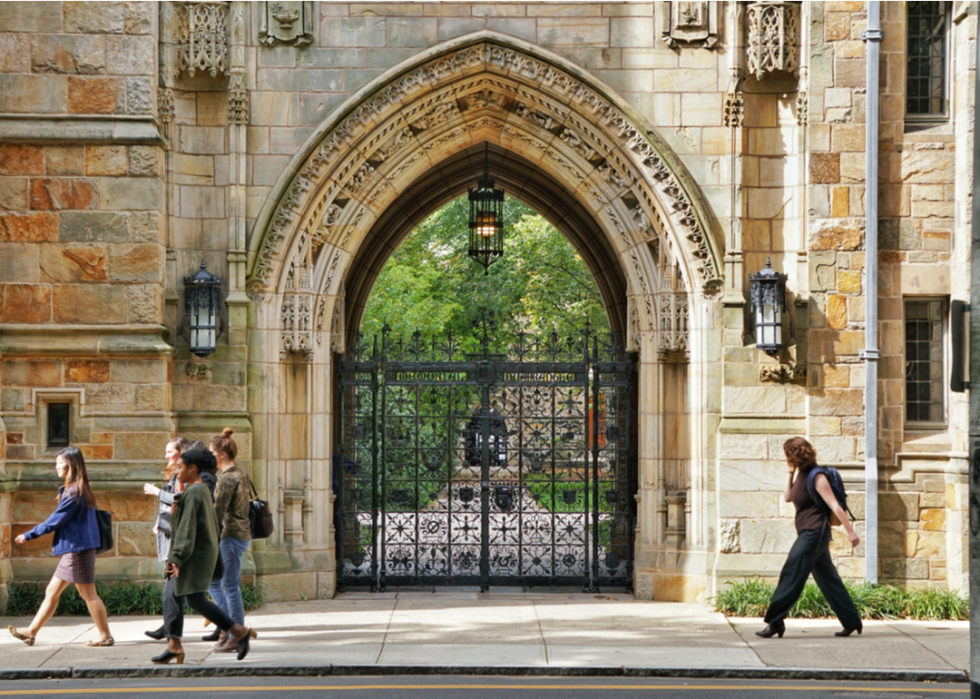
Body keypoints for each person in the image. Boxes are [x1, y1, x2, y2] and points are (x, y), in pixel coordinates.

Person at [153, 448, 255, 664]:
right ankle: (236, 632)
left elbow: (186, 530)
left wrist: (177, 559)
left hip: (191, 557)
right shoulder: (198, 492)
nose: (177, 471)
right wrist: (175, 513)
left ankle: (177, 645)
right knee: (189, 598)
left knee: (177, 596)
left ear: (193, 468)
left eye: (180, 467)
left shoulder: (193, 493)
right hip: (199, 555)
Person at [756, 437, 863, 639]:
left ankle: (775, 622)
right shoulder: (802, 475)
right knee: (828, 579)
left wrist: (850, 531)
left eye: (788, 456)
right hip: (807, 532)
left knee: (791, 572)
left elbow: (835, 506)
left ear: (793, 455)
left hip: (814, 533)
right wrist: (790, 472)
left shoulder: (817, 476)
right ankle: (851, 621)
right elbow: (787, 497)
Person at [8, 446, 113, 647]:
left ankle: (105, 635)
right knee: (52, 592)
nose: (56, 467)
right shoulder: (77, 488)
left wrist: (29, 534)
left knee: (88, 594)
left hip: (78, 550)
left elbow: (55, 521)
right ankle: (31, 632)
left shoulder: (75, 492)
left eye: (59, 463)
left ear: (71, 465)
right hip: (76, 549)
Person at [207, 428, 253, 653]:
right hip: (242, 534)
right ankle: (228, 629)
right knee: (221, 584)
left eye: (211, 453)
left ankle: (236, 634)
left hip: (230, 536)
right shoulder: (241, 473)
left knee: (229, 586)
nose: (210, 457)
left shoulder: (226, 479)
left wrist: (206, 536)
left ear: (222, 454)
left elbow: (218, 512)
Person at [143, 437, 187, 640]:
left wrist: (156, 491)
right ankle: (170, 630)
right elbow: (170, 508)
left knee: (175, 591)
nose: (166, 455)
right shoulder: (175, 475)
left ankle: (171, 632)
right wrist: (159, 522)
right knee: (175, 591)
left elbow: (179, 501)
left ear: (181, 452)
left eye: (170, 451)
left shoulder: (183, 477)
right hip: (170, 533)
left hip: (178, 540)